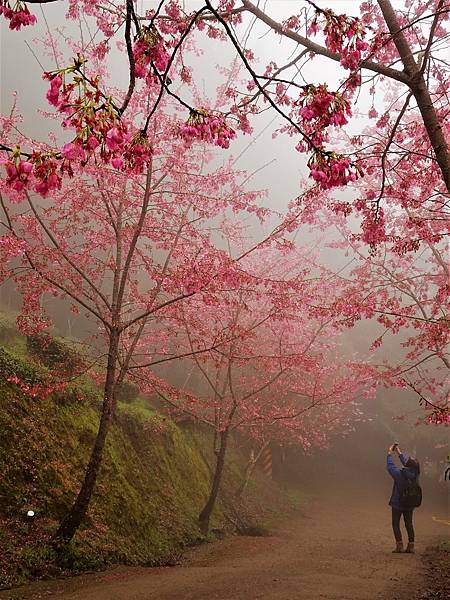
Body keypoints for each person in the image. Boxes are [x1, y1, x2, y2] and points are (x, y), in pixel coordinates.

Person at [386, 444, 421, 554]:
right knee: (409, 523)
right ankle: (411, 546)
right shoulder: (416, 474)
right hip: (410, 504)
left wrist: (389, 453)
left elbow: (390, 467)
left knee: (395, 523)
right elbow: (408, 463)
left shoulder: (399, 475)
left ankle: (399, 546)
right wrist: (399, 453)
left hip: (397, 503)